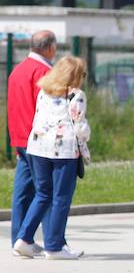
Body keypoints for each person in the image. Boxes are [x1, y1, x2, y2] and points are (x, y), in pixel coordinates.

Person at [13, 57, 89, 260]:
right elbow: (79, 127)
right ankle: (54, 246)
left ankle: (24, 239)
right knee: (61, 198)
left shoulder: (43, 91)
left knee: (42, 194)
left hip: (37, 147)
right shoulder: (76, 95)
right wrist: (87, 137)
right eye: (81, 74)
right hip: (63, 151)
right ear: (74, 75)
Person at [8, 30, 56, 252]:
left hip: (19, 136)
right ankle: (52, 242)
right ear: (49, 47)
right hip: (38, 140)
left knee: (22, 192)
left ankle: (18, 238)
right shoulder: (45, 72)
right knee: (46, 190)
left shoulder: (17, 70)